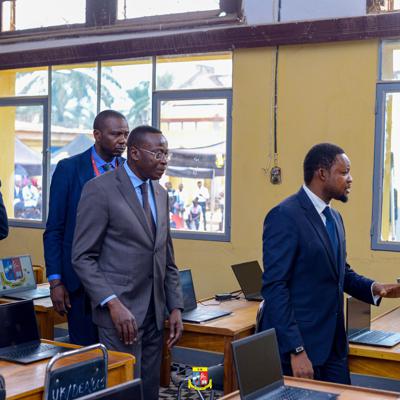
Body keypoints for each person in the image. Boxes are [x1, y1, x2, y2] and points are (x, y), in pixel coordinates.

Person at [260, 143, 400, 384]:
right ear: (322, 173)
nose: (350, 179)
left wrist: (376, 288)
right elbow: (275, 287)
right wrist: (296, 349)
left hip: (333, 345)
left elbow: (340, 273)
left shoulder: (334, 217)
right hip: (301, 347)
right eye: (344, 172)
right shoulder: (284, 216)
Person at [72, 125, 184, 400]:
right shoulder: (100, 189)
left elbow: (166, 257)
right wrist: (112, 303)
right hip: (119, 315)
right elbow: (83, 257)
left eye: (166, 154)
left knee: (149, 389)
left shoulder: (161, 193)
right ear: (134, 153)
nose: (164, 161)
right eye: (157, 154)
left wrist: (175, 306)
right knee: (123, 391)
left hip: (155, 313)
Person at [43, 109, 129, 345]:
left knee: (119, 354)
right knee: (85, 352)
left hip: (120, 281)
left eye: (126, 134)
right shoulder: (69, 169)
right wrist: (56, 282)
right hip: (78, 284)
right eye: (116, 134)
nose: (123, 140)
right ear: (97, 135)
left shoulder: (129, 171)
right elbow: (55, 229)